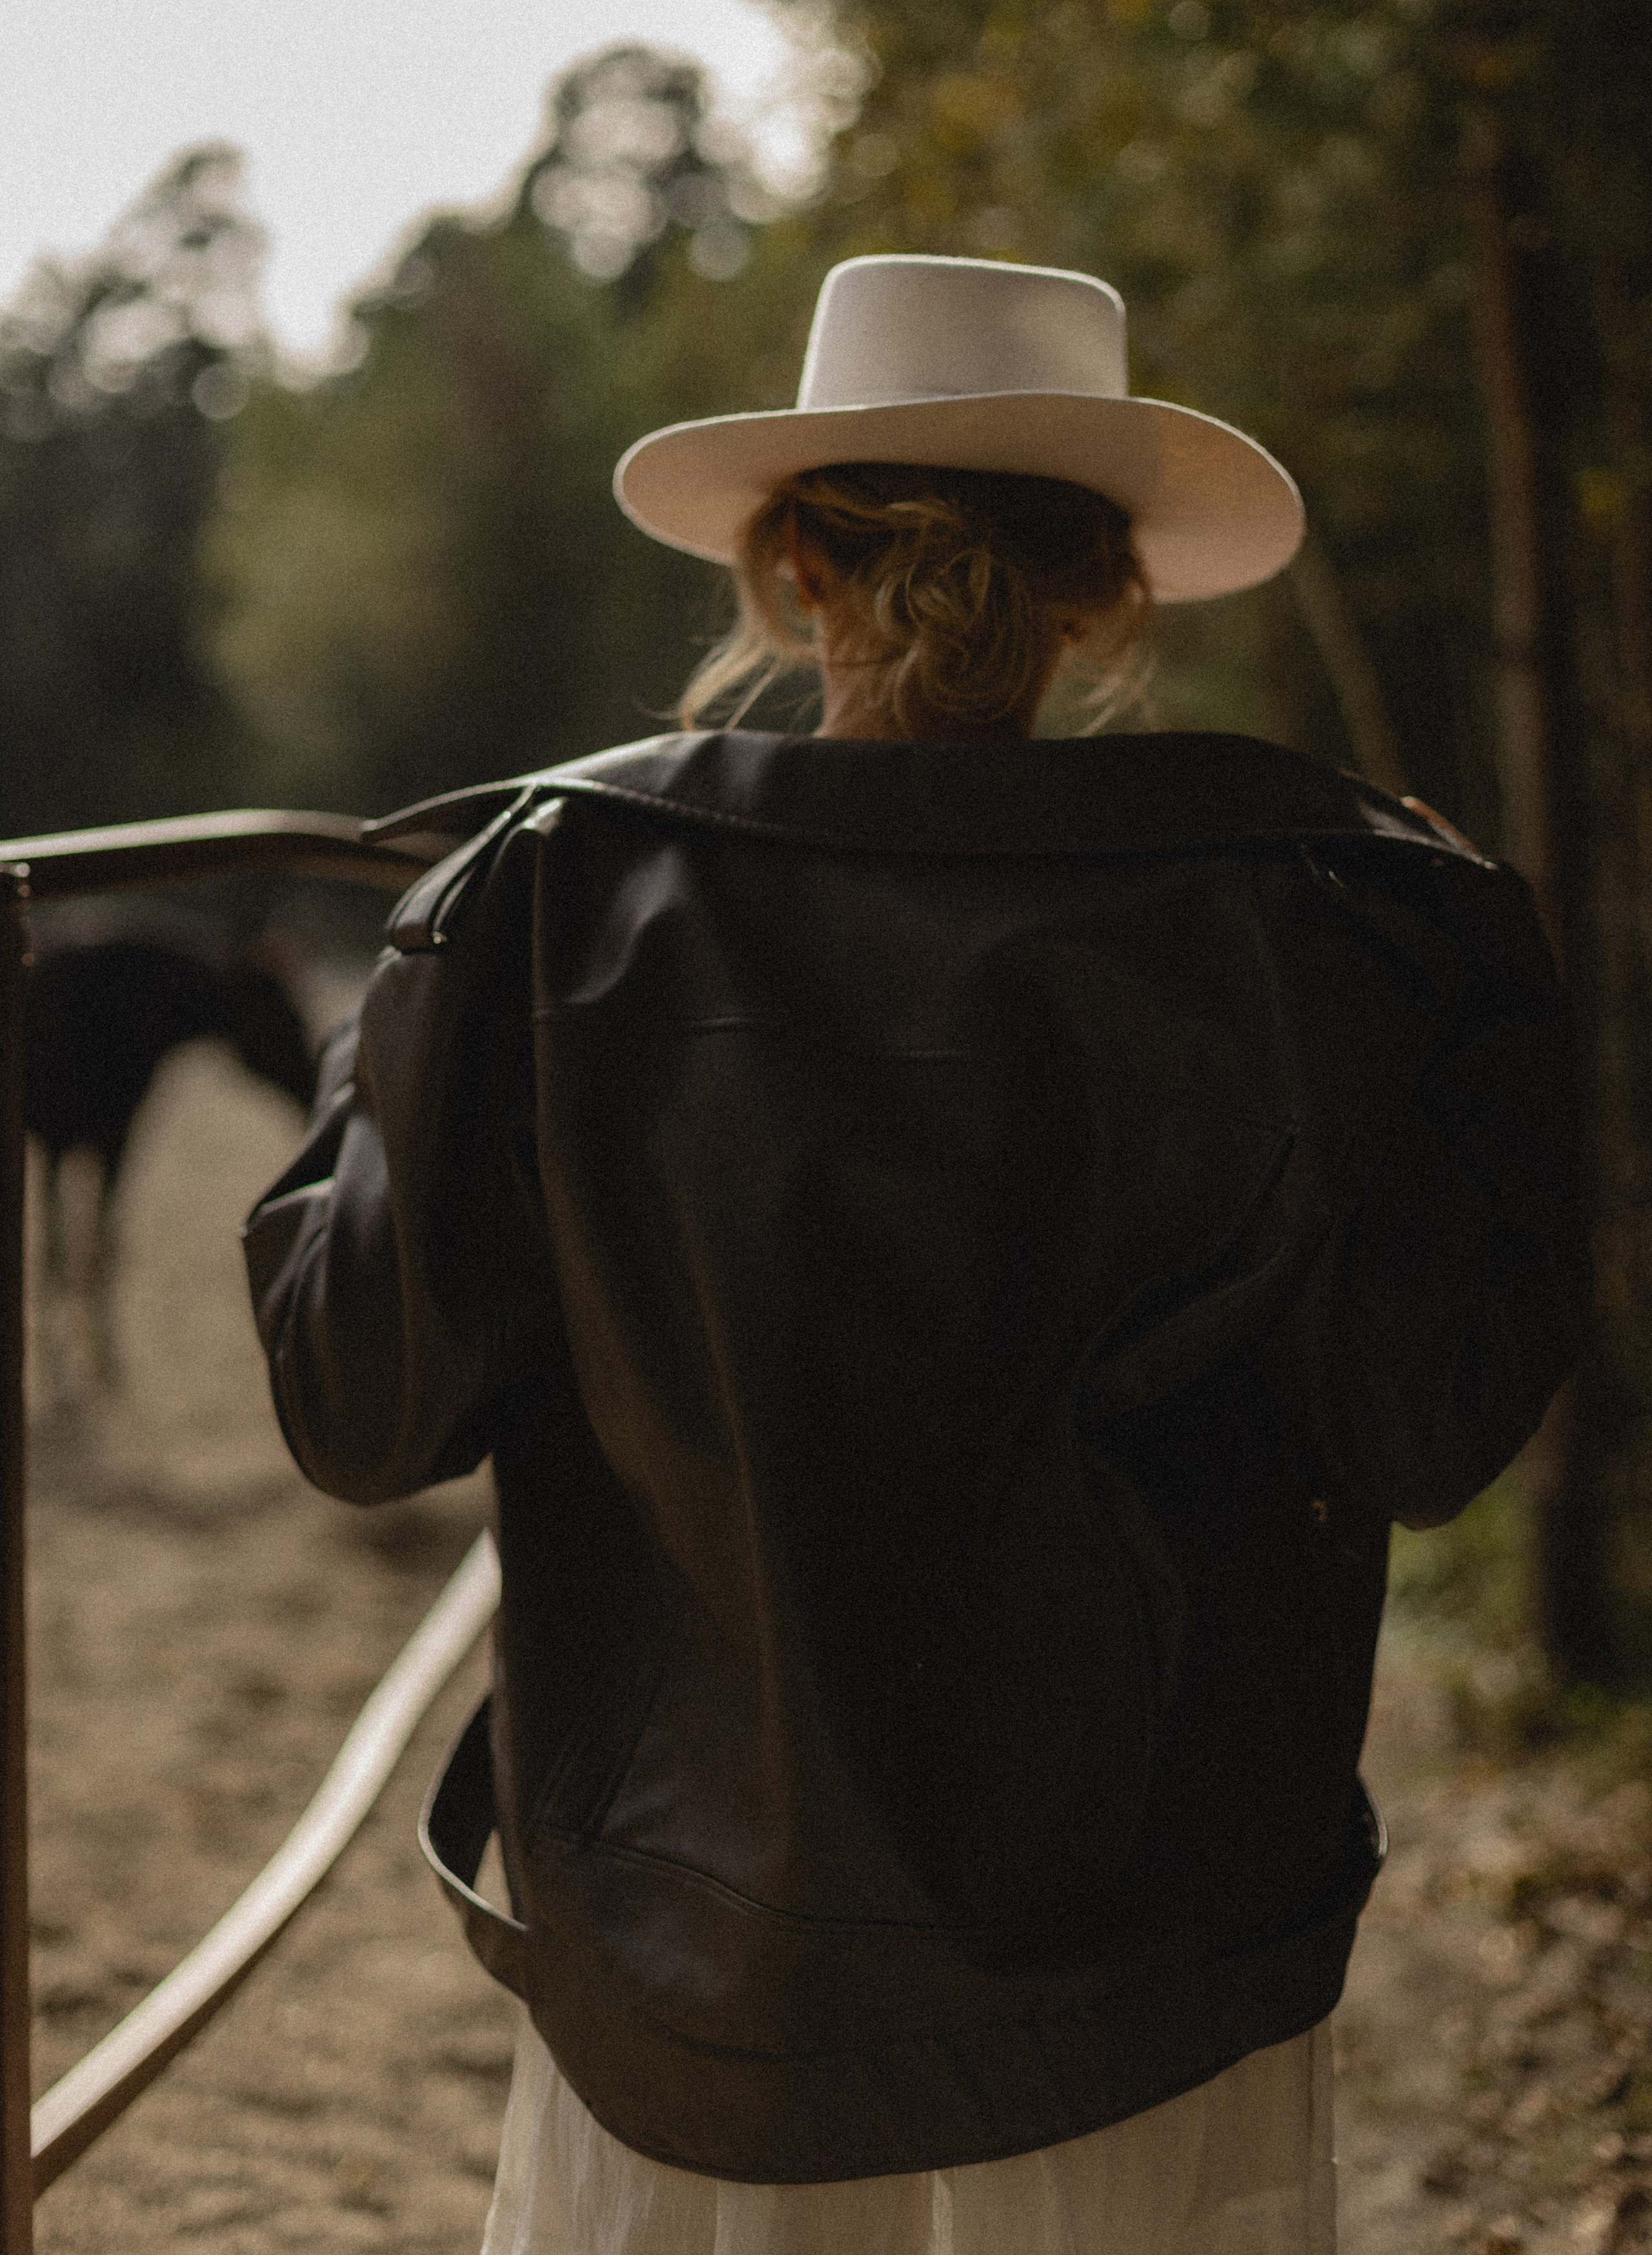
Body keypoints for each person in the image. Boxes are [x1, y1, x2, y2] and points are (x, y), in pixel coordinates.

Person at [244, 256, 1590, 2255]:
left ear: (788, 572)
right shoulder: (1328, 924)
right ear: (1111, 596)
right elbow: (1432, 1424)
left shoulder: (540, 903)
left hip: (694, 1973)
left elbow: (357, 1408)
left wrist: (398, 1046)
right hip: (1161, 1970)